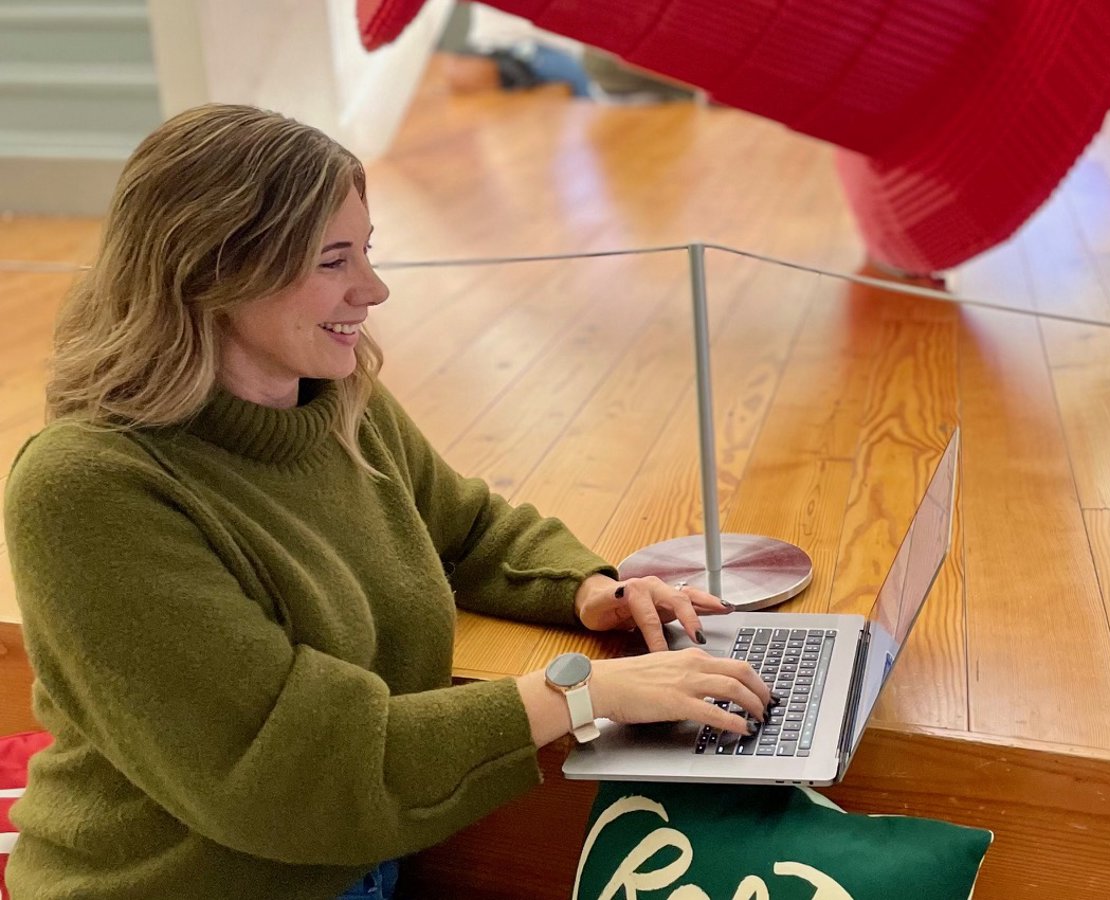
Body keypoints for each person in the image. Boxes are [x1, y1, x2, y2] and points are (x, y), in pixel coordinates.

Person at [1, 104, 772, 900]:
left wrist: (594, 592)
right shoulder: (88, 492)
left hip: (364, 860)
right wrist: (582, 693)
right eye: (334, 261)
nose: (373, 289)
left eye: (365, 251)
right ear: (211, 271)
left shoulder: (337, 401)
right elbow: (291, 774)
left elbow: (466, 527)